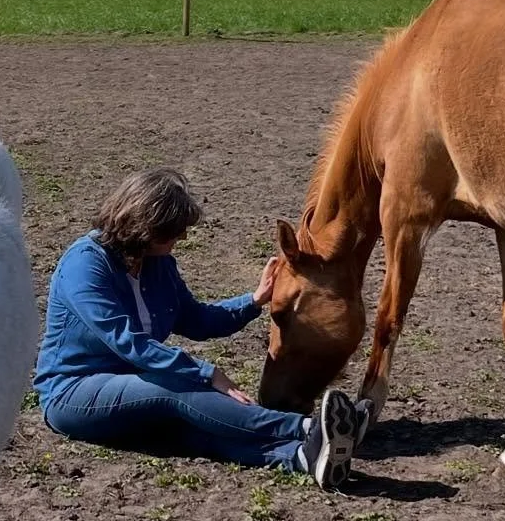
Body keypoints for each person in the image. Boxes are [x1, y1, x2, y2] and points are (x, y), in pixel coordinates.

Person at [33, 168, 355, 488]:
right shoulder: (85, 265)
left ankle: (301, 457)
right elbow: (128, 342)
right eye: (174, 230)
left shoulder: (158, 264)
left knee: (192, 427)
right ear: (147, 226)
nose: (182, 237)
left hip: (135, 387)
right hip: (74, 392)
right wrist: (206, 373)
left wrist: (255, 300)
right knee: (172, 387)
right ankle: (306, 428)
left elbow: (197, 320)